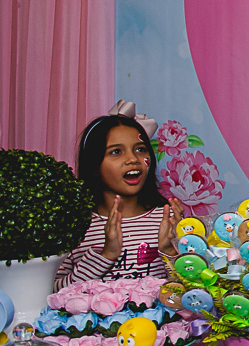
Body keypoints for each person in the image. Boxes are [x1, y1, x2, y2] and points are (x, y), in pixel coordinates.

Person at [56, 106, 185, 290]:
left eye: (140, 149)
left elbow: (192, 292)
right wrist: (106, 255)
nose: (133, 159)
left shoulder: (168, 220)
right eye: (116, 152)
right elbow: (56, 292)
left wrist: (169, 251)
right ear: (94, 165)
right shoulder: (75, 227)